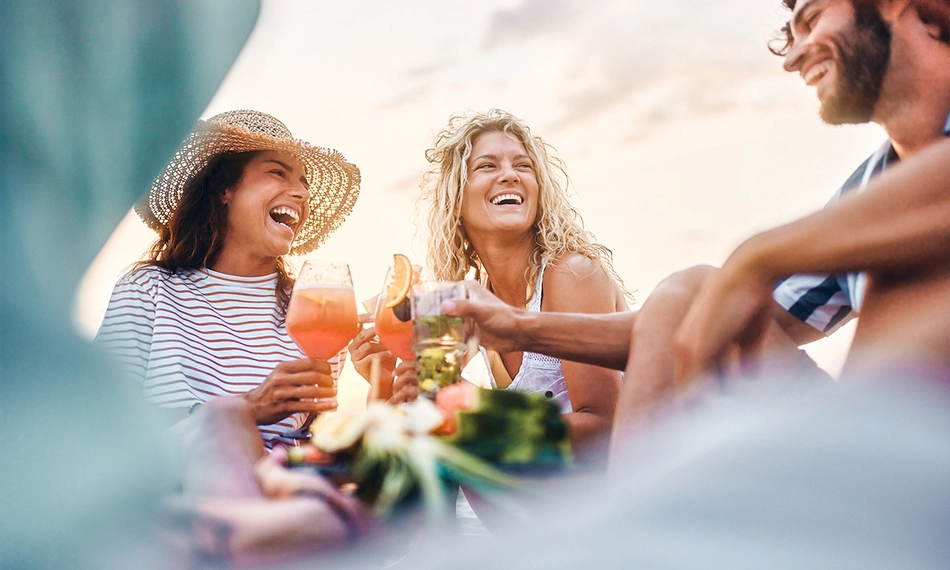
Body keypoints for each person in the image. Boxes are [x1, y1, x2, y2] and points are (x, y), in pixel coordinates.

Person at [437, 0, 950, 452]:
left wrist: (757, 257)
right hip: (878, 442)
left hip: (918, 449)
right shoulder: (868, 188)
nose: (794, 56)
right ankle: (643, 523)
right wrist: (516, 327)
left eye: (812, 19)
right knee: (686, 293)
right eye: (791, 34)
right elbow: (709, 317)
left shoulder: (570, 272)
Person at [351, 110, 630, 457]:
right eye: (487, 166)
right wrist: (384, 382)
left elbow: (606, 427)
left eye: (523, 166)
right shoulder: (472, 304)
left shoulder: (572, 274)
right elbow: (427, 430)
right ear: (456, 199)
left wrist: (473, 415)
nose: (510, 175)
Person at [96, 109, 361, 447]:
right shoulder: (148, 291)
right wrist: (248, 409)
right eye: (278, 172)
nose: (302, 193)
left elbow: (308, 448)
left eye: (304, 183)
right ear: (225, 187)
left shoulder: (314, 311)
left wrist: (382, 390)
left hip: (280, 482)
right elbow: (99, 426)